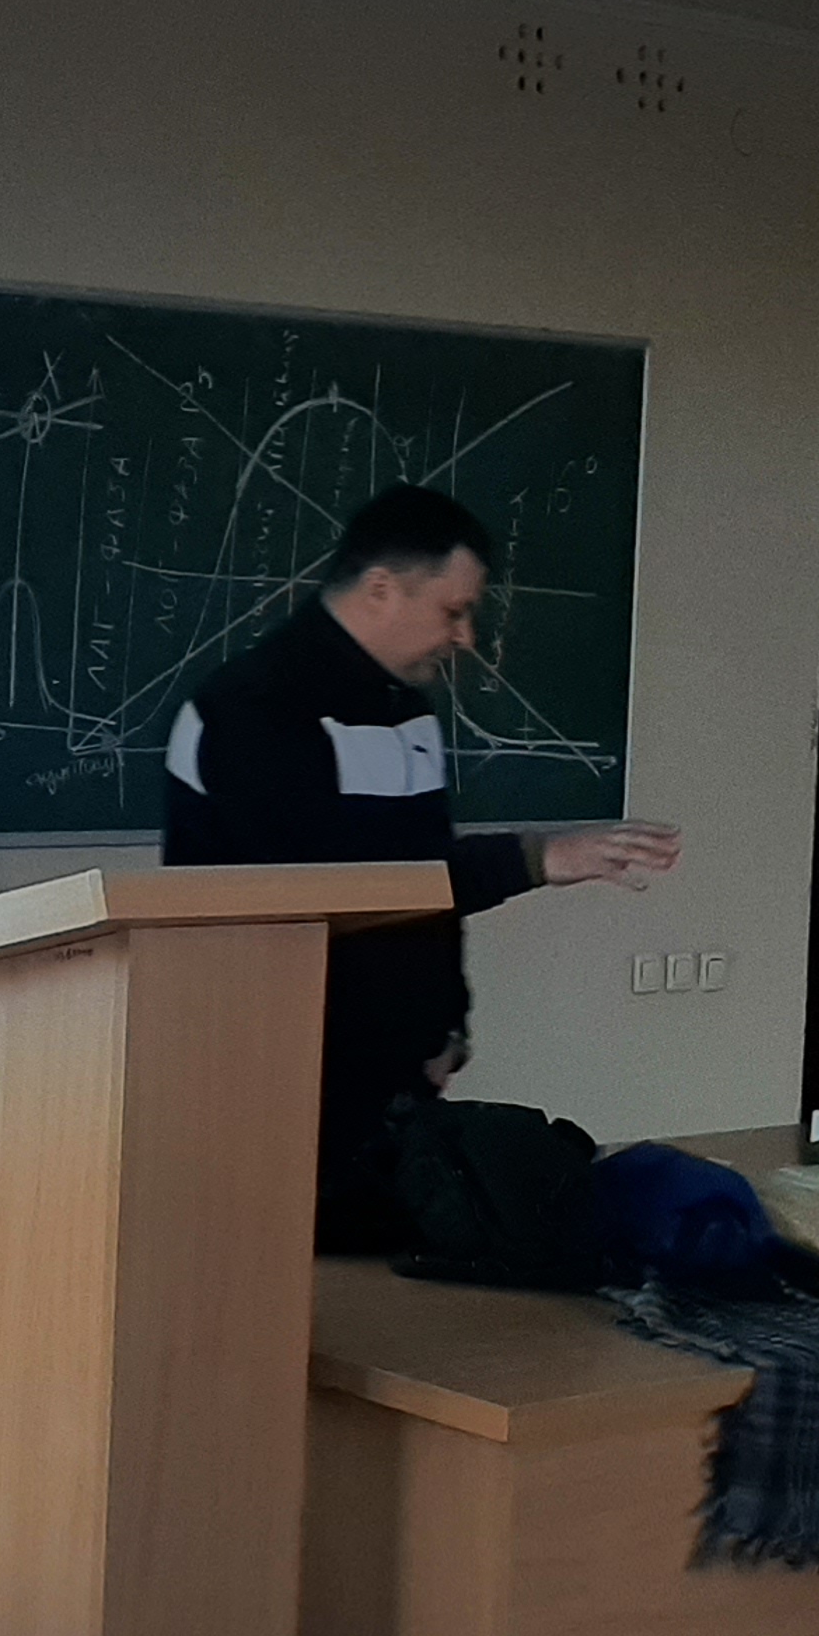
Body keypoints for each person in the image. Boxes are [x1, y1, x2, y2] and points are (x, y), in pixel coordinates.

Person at [161, 485, 680, 1250]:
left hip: (393, 1091)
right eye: (453, 611)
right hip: (270, 1086)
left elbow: (423, 881)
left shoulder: (404, 709)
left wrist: (445, 1019)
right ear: (381, 588)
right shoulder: (251, 708)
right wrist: (538, 859)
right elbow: (338, 887)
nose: (465, 636)